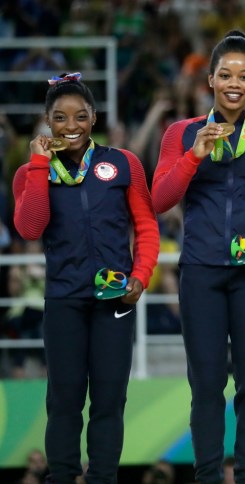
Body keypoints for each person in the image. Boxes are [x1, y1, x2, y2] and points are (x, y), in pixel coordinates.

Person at [152, 30, 245, 483]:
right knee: (206, 388)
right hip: (200, 272)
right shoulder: (181, 134)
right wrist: (193, 156)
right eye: (225, 74)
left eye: (243, 75)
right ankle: (209, 477)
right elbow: (159, 199)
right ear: (211, 82)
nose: (233, 83)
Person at [12, 72, 159, 483]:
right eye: (60, 118)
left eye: (80, 116)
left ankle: (102, 478)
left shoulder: (123, 163)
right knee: (64, 401)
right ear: (47, 122)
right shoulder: (30, 173)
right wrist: (40, 164)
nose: (71, 126)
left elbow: (146, 226)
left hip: (114, 299)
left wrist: (141, 276)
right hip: (64, 300)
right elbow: (30, 227)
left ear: (93, 117)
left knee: (110, 400)